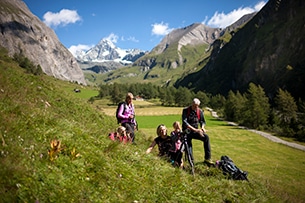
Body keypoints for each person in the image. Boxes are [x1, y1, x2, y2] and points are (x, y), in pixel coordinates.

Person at [182, 98, 213, 165]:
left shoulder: (200, 111)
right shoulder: (185, 110)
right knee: (188, 144)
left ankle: (207, 158)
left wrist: (202, 128)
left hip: (196, 131)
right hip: (187, 131)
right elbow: (185, 122)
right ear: (192, 104)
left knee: (206, 138)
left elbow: (202, 121)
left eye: (197, 106)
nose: (195, 107)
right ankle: (191, 161)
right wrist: (196, 130)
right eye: (194, 105)